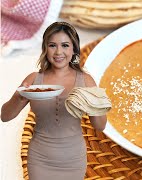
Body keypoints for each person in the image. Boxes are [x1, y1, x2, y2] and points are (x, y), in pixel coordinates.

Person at [1, 22, 107, 180]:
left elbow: (100, 126)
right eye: (52, 45)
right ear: (45, 48)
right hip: (39, 158)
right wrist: (18, 97)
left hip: (73, 158)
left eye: (65, 45)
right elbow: (4, 116)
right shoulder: (33, 79)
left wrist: (96, 102)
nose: (59, 52)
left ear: (74, 49)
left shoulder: (85, 80)